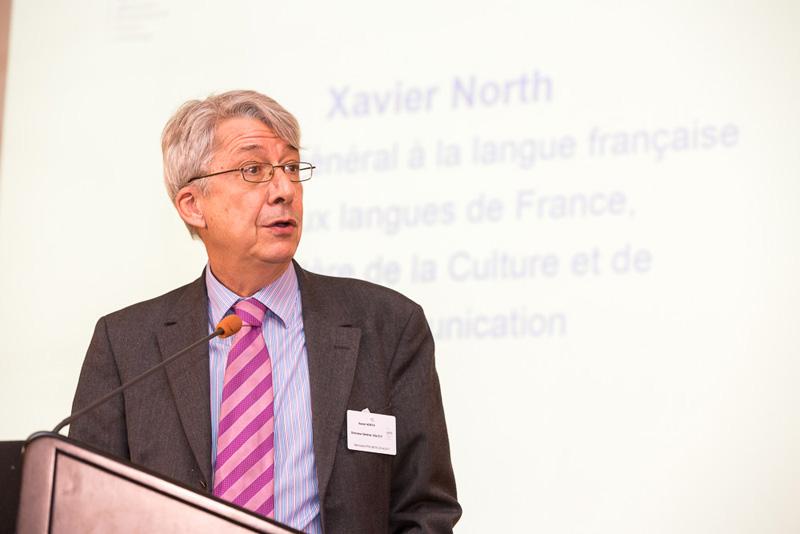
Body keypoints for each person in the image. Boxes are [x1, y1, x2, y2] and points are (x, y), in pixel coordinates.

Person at [69, 90, 461, 533]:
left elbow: (424, 511)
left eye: (291, 168)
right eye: (253, 170)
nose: (284, 190)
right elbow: (87, 513)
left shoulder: (387, 325)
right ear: (193, 205)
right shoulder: (126, 345)